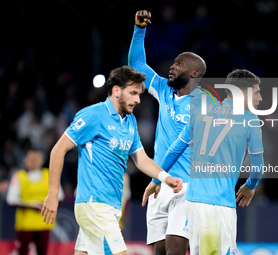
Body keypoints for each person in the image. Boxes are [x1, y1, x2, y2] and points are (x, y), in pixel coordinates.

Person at [41, 66, 183, 255]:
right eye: (133, 93)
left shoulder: (130, 121)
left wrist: (166, 178)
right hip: (95, 204)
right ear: (116, 90)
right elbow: (58, 150)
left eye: (139, 94)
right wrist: (53, 193)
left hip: (111, 206)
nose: (138, 100)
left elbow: (141, 159)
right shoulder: (93, 115)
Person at [143, 69, 264, 255]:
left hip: (193, 202)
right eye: (257, 92)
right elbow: (257, 168)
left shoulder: (200, 112)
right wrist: (250, 185)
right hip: (219, 204)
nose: (260, 98)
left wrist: (157, 179)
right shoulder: (250, 120)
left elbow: (174, 150)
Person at [128, 10, 206, 254]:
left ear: (194, 73)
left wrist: (156, 178)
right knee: (160, 251)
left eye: (179, 64)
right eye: (173, 63)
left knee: (175, 250)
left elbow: (180, 146)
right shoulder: (163, 90)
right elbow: (137, 65)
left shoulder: (203, 104)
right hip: (161, 184)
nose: (172, 67)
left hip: (187, 186)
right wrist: (139, 30)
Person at [7, 150, 64, 255]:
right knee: (22, 251)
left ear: (41, 161)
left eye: (36, 159)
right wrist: (32, 206)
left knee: (42, 251)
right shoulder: (19, 176)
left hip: (44, 223)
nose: (33, 162)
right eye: (30, 159)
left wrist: (46, 206)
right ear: (25, 161)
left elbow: (60, 196)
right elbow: (11, 200)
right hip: (24, 225)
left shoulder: (49, 174)